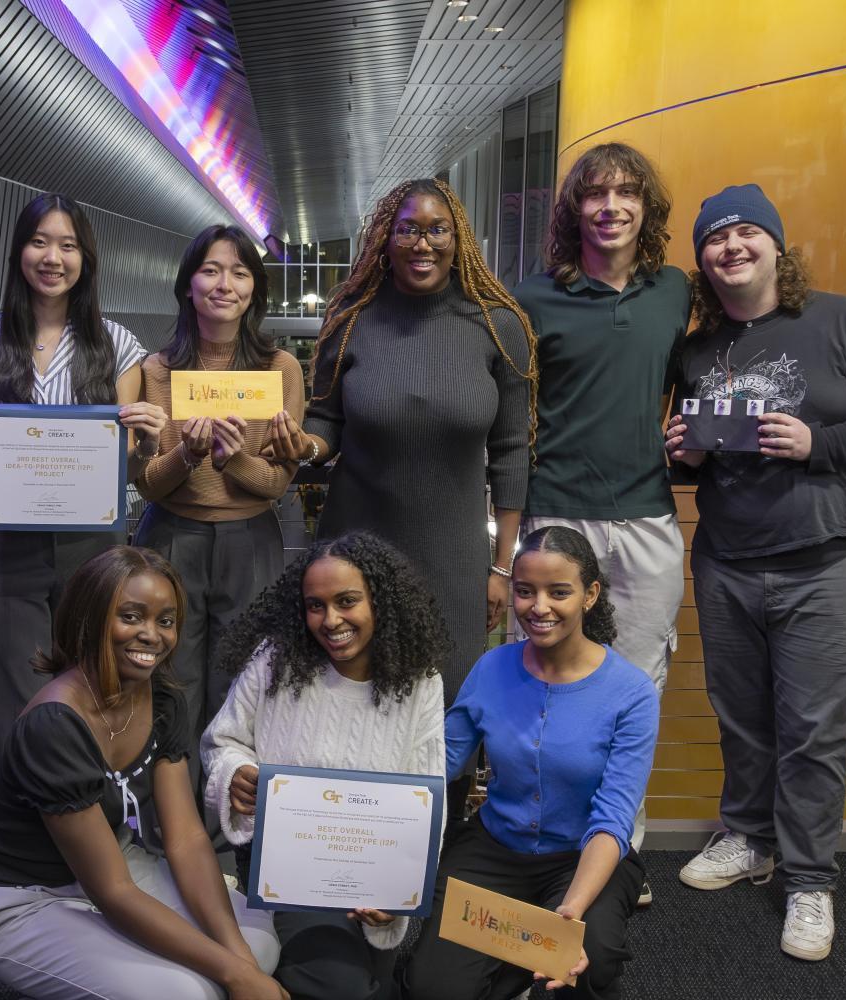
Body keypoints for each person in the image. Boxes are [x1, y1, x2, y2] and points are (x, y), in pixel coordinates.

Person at [665, 184, 846, 961]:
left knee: (814, 733)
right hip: (727, 562)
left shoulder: (842, 320)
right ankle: (748, 838)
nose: (732, 247)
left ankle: (810, 880)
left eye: (748, 232)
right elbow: (694, 461)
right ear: (704, 259)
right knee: (741, 717)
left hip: (828, 562)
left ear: (779, 246)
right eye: (716, 239)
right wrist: (684, 456)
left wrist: (821, 444)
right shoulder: (697, 348)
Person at [0, 546, 285, 1000]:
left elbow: (185, 839)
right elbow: (111, 890)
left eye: (165, 621)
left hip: (119, 865)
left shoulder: (164, 700)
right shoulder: (53, 724)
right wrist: (234, 975)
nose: (152, 634)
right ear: (90, 620)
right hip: (23, 898)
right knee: (184, 992)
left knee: (259, 947)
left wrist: (241, 962)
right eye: (131, 616)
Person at [261, 177, 536, 704]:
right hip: (356, 551)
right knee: (348, 702)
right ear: (387, 239)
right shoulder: (351, 319)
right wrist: (306, 447)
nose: (423, 243)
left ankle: (442, 795)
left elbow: (511, 455)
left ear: (459, 241)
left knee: (447, 707)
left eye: (438, 230)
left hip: (454, 558)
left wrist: (502, 567)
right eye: (408, 229)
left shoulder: (499, 327)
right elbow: (326, 423)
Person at [0, 193, 166, 797]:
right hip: (4, 540)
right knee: (12, 697)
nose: (52, 258)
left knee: (95, 687)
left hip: (95, 543)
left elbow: (134, 470)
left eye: (68, 246)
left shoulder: (119, 345)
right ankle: (11, 853)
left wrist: (146, 441)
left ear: (86, 258)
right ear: (18, 251)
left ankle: (91, 838)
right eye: (40, 242)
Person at [511, 143, 689, 904]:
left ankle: (621, 857)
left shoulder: (677, 293)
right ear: (572, 210)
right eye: (595, 194)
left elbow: (715, 377)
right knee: (548, 685)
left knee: (636, 691)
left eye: (626, 193)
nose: (610, 206)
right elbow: (510, 418)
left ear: (646, 208)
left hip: (648, 516)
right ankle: (546, 849)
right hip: (556, 515)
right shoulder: (533, 299)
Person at [407, 526, 658, 1000]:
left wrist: (571, 911)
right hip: (492, 850)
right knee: (432, 989)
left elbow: (613, 821)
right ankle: (511, 967)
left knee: (583, 967)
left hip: (580, 860)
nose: (538, 607)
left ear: (590, 595)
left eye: (558, 592)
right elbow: (436, 766)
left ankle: (520, 962)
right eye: (525, 591)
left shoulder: (632, 694)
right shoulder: (491, 666)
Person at [202, 531, 449, 1000]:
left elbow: (428, 793)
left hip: (374, 870)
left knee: (375, 981)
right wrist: (235, 774)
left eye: (347, 601)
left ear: (381, 601)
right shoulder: (274, 660)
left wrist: (398, 895)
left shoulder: (421, 683)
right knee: (347, 988)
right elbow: (222, 741)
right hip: (289, 868)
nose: (330, 619)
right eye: (315, 605)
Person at [134, 224, 306, 750]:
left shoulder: (280, 369)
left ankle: (229, 821)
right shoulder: (156, 370)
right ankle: (170, 823)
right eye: (210, 270)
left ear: (255, 287)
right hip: (170, 536)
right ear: (188, 285)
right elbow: (148, 485)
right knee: (169, 679)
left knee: (244, 682)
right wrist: (187, 456)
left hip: (250, 540)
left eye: (239, 272)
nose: (224, 283)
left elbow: (276, 483)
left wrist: (232, 461)